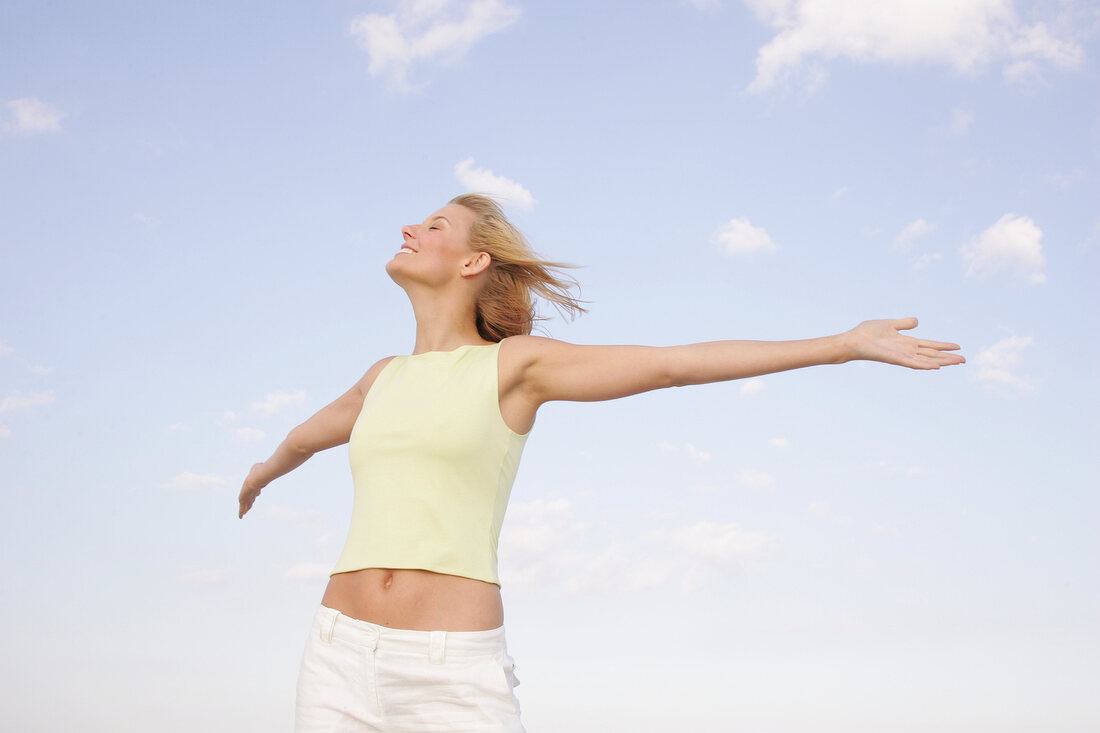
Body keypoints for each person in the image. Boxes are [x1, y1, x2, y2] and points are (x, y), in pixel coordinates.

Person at [237, 193, 965, 733]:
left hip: (448, 668)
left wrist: (840, 343)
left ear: (472, 260)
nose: (408, 227)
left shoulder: (514, 367)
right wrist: (263, 471)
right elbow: (306, 435)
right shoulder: (381, 377)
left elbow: (674, 366)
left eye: (433, 225)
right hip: (336, 652)